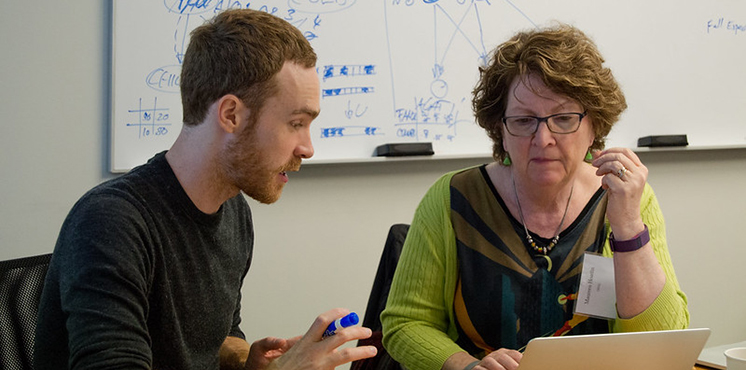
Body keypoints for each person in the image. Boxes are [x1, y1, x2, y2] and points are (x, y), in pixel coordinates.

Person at [34, 9, 376, 370]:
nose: (307, 148)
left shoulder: (233, 209)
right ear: (230, 114)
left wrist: (244, 360)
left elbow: (220, 336)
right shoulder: (110, 223)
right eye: (295, 123)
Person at [380, 23, 689, 370]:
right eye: (525, 120)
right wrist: (466, 366)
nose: (543, 138)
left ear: (595, 126)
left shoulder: (626, 198)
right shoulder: (454, 198)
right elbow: (405, 324)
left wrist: (628, 226)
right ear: (500, 128)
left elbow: (662, 341)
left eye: (563, 118)